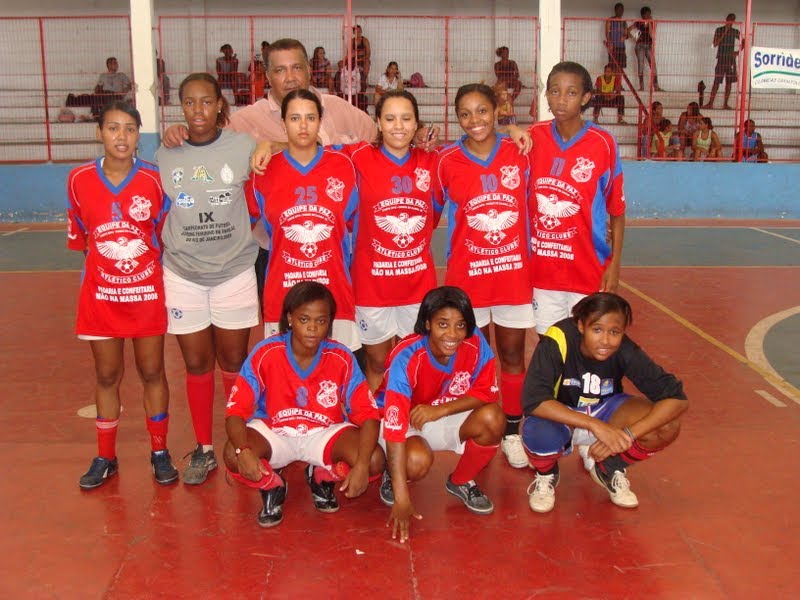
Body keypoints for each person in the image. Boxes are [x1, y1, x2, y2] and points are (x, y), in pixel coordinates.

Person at [155, 73, 260, 486]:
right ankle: (203, 449)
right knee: (197, 363)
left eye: (206, 102)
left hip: (234, 270)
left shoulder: (244, 146)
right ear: (180, 107)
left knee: (233, 362)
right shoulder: (165, 151)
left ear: (220, 105)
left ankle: (237, 442)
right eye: (189, 103)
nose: (198, 111)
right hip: (182, 273)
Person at [67, 101, 178, 489]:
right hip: (101, 298)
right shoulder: (78, 179)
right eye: (113, 128)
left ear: (138, 136)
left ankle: (160, 452)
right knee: (107, 375)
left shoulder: (154, 179)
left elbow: (163, 233)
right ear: (99, 132)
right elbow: (83, 239)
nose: (121, 136)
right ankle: (105, 456)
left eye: (130, 129)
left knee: (153, 373)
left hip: (146, 295)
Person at [223, 281, 384, 528]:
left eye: (321, 321)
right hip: (276, 433)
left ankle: (323, 474)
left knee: (373, 459)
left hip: (323, 434)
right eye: (304, 319)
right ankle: (272, 485)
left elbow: (368, 415)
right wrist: (242, 451)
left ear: (329, 322)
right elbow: (235, 411)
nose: (312, 328)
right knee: (232, 454)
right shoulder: (266, 353)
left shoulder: (340, 356)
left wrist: (361, 466)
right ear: (289, 318)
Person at [438, 83, 534, 469]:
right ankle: (476, 426)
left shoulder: (521, 151)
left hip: (512, 276)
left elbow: (553, 132)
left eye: (482, 111)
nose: (474, 120)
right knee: (472, 360)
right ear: (457, 119)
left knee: (512, 355)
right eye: (465, 113)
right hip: (468, 280)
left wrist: (515, 129)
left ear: (497, 111)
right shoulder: (445, 161)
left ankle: (512, 430)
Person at [521, 292, 688, 513]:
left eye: (615, 332)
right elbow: (533, 400)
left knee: (667, 425)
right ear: (581, 325)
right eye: (597, 330)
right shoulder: (558, 339)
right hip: (565, 414)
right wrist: (595, 426)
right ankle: (547, 474)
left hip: (606, 410)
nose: (606, 341)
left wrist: (628, 434)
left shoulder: (624, 349)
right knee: (538, 429)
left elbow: (677, 399)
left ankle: (609, 467)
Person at [376, 286, 505, 542]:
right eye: (443, 324)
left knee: (493, 418)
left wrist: (440, 410)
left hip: (438, 414)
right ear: (427, 323)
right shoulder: (407, 354)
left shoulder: (476, 343)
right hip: (403, 420)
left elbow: (487, 393)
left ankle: (461, 481)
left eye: (460, 325)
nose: (453, 334)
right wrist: (402, 499)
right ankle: (392, 474)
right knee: (416, 462)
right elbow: (394, 425)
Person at [248, 89, 361, 351]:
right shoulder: (263, 171)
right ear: (283, 123)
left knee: (335, 377)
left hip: (335, 293)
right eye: (295, 118)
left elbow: (387, 141)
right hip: (283, 294)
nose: (303, 125)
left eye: (310, 117)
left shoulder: (344, 165)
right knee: (285, 378)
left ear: (320, 121)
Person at [344, 90, 442, 390]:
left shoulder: (433, 161)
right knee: (376, 362)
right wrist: (268, 145)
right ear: (378, 122)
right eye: (390, 118)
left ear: (417, 124)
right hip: (372, 285)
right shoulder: (358, 157)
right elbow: (310, 149)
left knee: (414, 362)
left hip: (417, 284)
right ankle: (378, 427)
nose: (398, 126)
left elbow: (470, 149)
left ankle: (407, 425)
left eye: (406, 118)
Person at [526, 61, 626, 337]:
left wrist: (614, 265)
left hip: (588, 269)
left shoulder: (602, 143)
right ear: (546, 95)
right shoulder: (533, 137)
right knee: (550, 344)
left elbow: (616, 211)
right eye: (555, 91)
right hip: (543, 270)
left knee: (587, 346)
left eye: (571, 93)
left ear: (585, 98)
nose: (561, 99)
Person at [705, 14, 740, 110]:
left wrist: (738, 52)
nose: (731, 22)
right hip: (721, 59)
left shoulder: (735, 31)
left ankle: (725, 104)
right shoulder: (719, 30)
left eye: (732, 20)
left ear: (734, 21)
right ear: (726, 20)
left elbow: (744, 41)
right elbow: (714, 44)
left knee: (729, 83)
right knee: (716, 82)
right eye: (729, 20)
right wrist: (724, 33)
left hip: (730, 60)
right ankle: (710, 103)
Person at [629, 7, 662, 92]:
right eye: (647, 14)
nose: (649, 15)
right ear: (643, 15)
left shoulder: (653, 23)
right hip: (640, 46)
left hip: (648, 45)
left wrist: (650, 23)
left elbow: (651, 35)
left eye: (649, 14)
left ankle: (656, 86)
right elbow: (629, 30)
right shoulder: (638, 22)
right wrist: (637, 36)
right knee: (640, 65)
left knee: (653, 65)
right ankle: (641, 87)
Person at [605, 3, 629, 73]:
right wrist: (610, 43)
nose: (621, 11)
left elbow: (626, 34)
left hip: (621, 47)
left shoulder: (624, 21)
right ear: (615, 10)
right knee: (612, 66)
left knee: (620, 67)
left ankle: (618, 83)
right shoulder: (610, 20)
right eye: (619, 10)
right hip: (613, 47)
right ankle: (614, 83)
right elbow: (607, 33)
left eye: (622, 10)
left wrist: (625, 36)